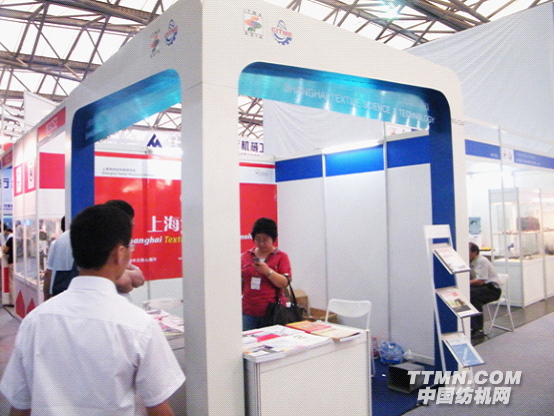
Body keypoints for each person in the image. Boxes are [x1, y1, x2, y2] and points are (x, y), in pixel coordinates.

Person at [0, 203, 185, 416]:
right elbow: (159, 408)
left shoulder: (35, 321)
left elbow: (19, 406)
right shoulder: (138, 325)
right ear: (119, 254)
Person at [241, 217, 291, 331]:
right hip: (248, 311)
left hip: (272, 312)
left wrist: (267, 271)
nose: (261, 243)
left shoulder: (281, 257)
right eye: (257, 239)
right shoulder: (246, 256)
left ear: (273, 239)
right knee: (247, 340)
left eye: (265, 240)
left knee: (272, 339)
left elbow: (284, 283)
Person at [469, 242, 501, 336]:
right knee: (470, 295)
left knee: (473, 298)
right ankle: (472, 327)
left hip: (492, 290)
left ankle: (478, 329)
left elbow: (480, 281)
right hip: (482, 288)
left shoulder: (482, 261)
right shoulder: (470, 261)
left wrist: (465, 283)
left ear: (474, 252)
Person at [2, 225, 14, 305]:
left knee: (12, 281)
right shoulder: (20, 238)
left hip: (11, 261)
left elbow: (6, 250)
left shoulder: (10, 239)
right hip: (19, 262)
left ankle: (12, 301)